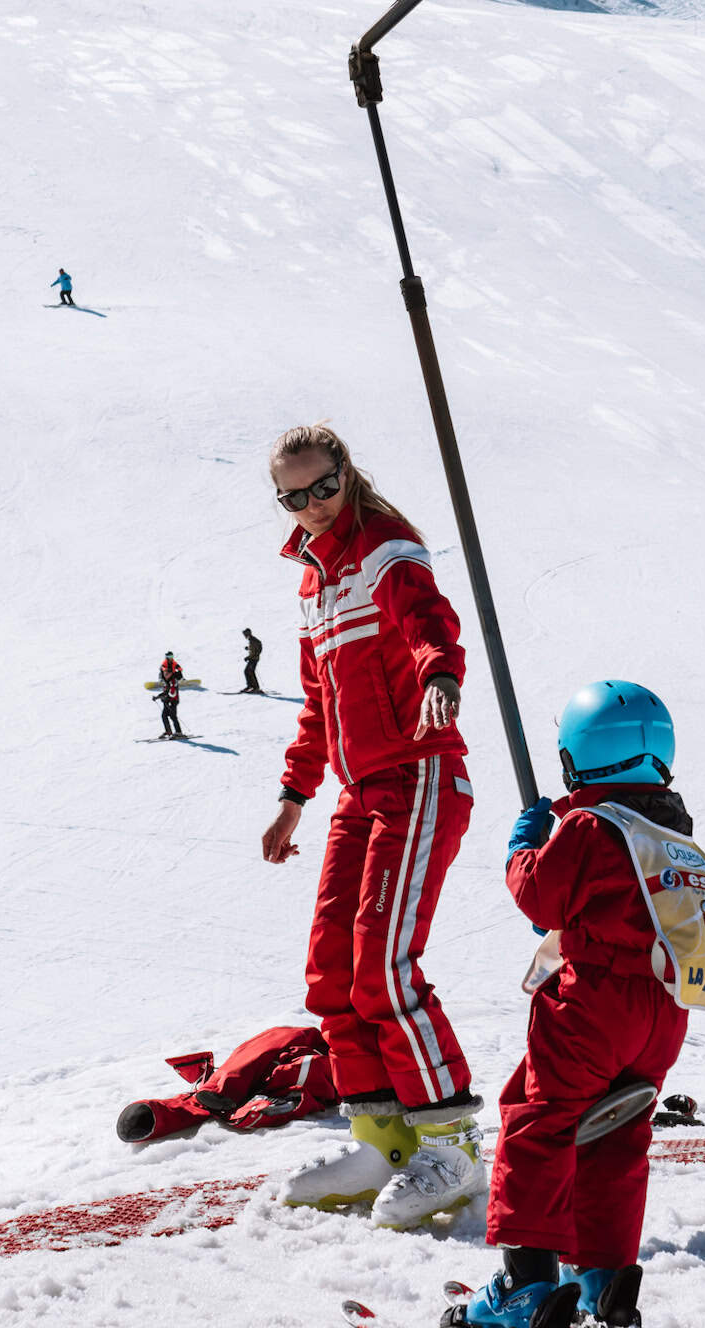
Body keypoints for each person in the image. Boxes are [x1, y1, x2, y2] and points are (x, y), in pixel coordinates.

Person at [261, 422, 483, 1230]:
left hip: (419, 772)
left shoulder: (385, 545)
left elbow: (428, 618)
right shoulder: (313, 586)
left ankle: (450, 1145)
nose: (313, 506)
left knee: (384, 965)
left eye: (323, 486)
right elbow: (317, 704)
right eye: (294, 496)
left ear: (347, 473)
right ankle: (381, 1139)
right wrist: (294, 795)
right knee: (332, 969)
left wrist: (442, 676)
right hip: (359, 790)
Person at [451, 681, 691, 1328]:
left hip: (595, 1005)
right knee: (615, 1129)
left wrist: (523, 847)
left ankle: (524, 1284)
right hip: (663, 1012)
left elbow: (539, 897)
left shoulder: (588, 825)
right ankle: (605, 1278)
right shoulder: (672, 829)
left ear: (578, 759)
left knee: (539, 1117)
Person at [156, 652, 184, 738]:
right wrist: (158, 697)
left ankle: (179, 732)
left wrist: (164, 697)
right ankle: (168, 731)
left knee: (172, 716)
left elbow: (172, 693)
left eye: (166, 674)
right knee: (164, 716)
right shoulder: (166, 678)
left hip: (173, 701)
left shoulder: (172, 682)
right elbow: (165, 691)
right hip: (167, 701)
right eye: (164, 674)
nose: (165, 675)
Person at [242, 627, 263, 694]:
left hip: (253, 659)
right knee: (249, 672)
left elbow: (255, 651)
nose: (244, 636)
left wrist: (248, 657)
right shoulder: (252, 640)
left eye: (245, 634)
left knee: (249, 672)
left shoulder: (252, 640)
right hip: (253, 658)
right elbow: (255, 648)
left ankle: (255, 687)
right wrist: (248, 648)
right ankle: (251, 686)